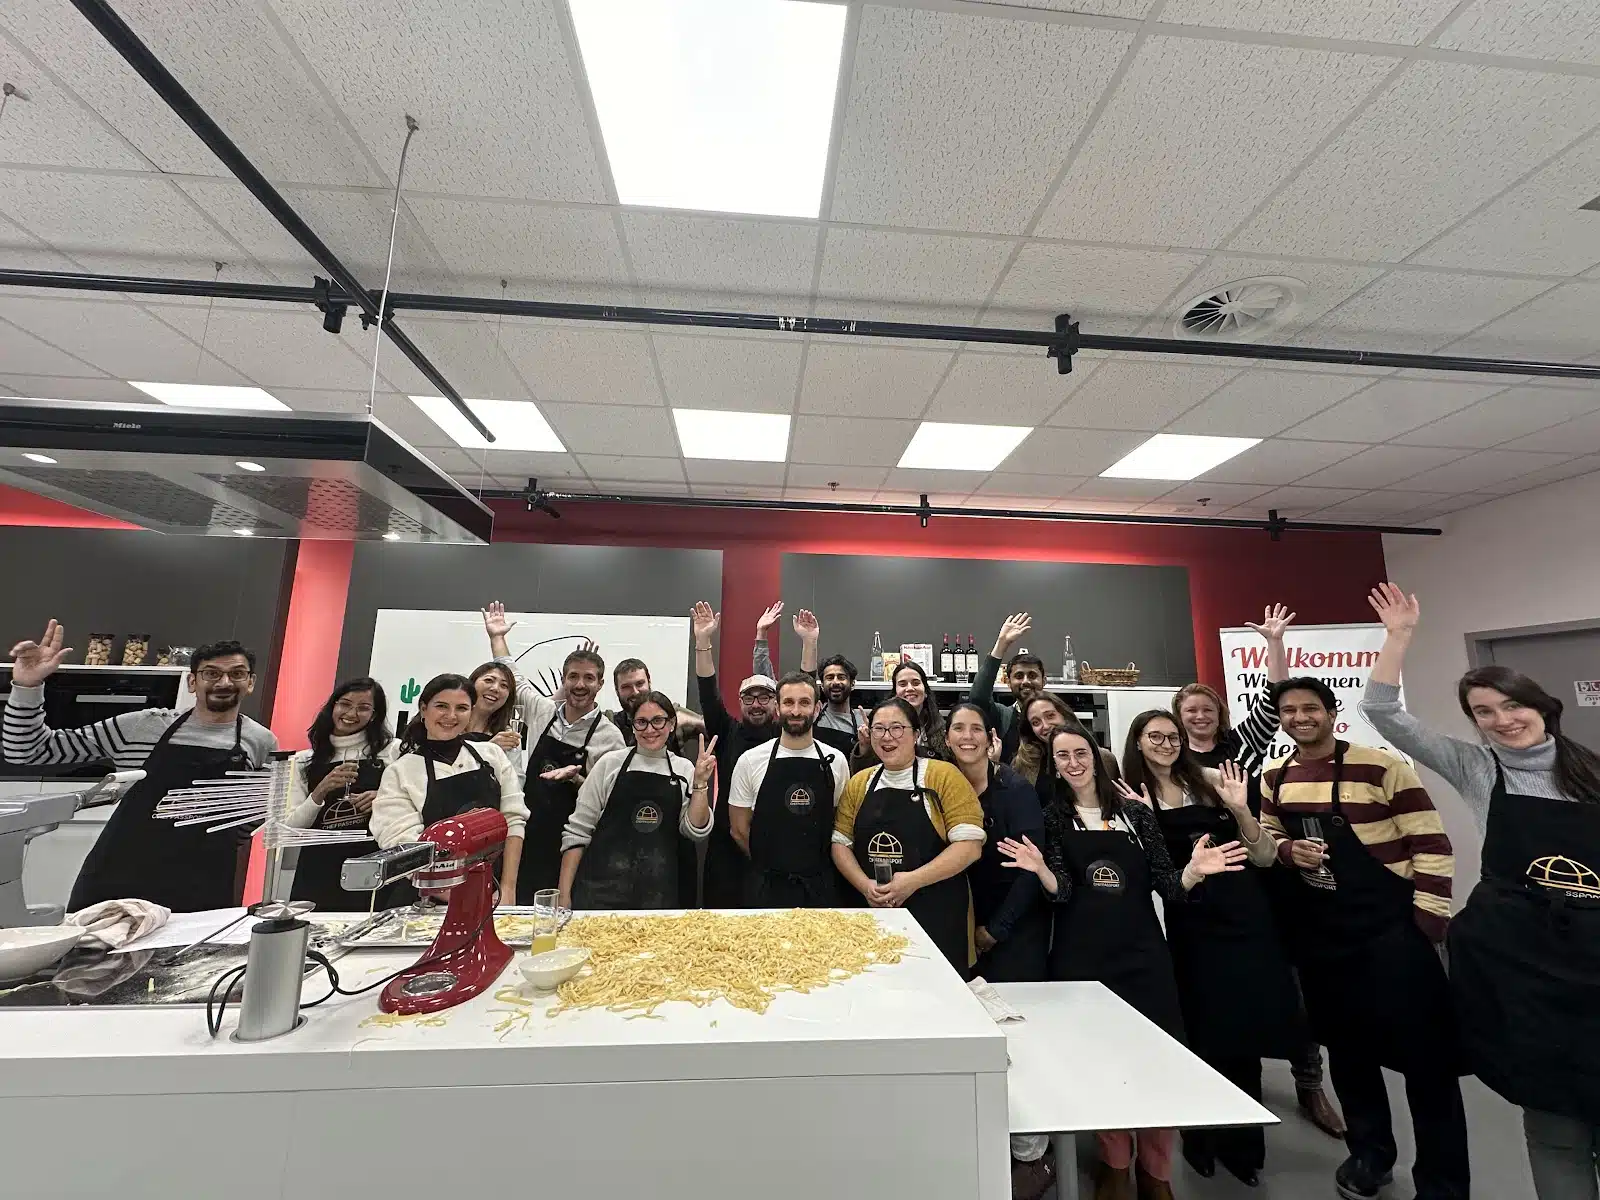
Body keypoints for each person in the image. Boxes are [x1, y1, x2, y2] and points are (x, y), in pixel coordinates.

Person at [1363, 583, 1600, 1200]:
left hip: (1596, 966)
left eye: (1509, 706)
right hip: (1523, 971)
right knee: (1553, 1127)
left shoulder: (1592, 771)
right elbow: (1385, 714)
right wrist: (1399, 638)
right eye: (1483, 714)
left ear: (1541, 705)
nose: (1501, 721)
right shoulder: (1476, 768)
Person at [1001, 722, 1245, 1200]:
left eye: (1079, 753)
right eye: (1062, 757)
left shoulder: (1137, 814)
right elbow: (1065, 893)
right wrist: (1043, 873)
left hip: (1142, 956)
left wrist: (1193, 871)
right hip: (1081, 960)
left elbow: (1167, 885)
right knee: (1099, 1065)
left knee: (1157, 1063)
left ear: (1095, 755)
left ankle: (1156, 1172)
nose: (1072, 763)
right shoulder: (1054, 818)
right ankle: (1115, 1164)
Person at [1247, 676, 1466, 1200]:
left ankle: (1443, 1183)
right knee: (1349, 1055)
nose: (1300, 718)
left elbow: (1431, 843)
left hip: (1394, 934)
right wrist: (1286, 853)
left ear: (1330, 711)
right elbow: (1270, 835)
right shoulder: (1275, 775)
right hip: (1325, 937)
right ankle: (1370, 1156)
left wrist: (1428, 926)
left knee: (1427, 1065)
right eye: (1289, 711)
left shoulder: (1381, 765)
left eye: (1310, 709)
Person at [1173, 607, 1345, 1141]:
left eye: (1206, 710)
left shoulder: (1240, 747)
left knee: (1287, 983)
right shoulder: (1168, 759)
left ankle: (1309, 1081)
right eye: (1190, 711)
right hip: (1202, 883)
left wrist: (1274, 643)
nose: (1199, 717)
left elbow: (1279, 701)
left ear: (1218, 714)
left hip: (1257, 872)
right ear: (1176, 720)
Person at [1123, 709, 1304, 1188]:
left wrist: (1242, 810)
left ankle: (1245, 1147)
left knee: (1245, 1035)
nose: (1165, 743)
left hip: (1246, 916)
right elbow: (1153, 873)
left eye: (1172, 736)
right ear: (1137, 744)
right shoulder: (1134, 796)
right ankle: (1201, 1141)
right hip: (1192, 920)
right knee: (1203, 1033)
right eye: (1154, 736)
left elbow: (1263, 854)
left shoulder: (1213, 781)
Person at [4, 622, 278, 912]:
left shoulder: (261, 742)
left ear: (250, 682)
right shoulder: (142, 725)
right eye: (211, 673)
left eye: (236, 674)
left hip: (201, 882)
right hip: (120, 876)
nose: (224, 682)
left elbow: (258, 811)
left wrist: (217, 846)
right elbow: (29, 751)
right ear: (192, 682)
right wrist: (27, 686)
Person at [481, 603, 625, 901]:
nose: (580, 684)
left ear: (600, 683)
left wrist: (578, 781)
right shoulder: (542, 711)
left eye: (588, 678)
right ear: (563, 679)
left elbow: (612, 802)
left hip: (572, 848)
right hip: (526, 839)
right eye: (573, 676)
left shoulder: (610, 737)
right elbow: (515, 679)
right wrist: (497, 637)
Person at [831, 697, 984, 972]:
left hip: (938, 916)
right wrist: (866, 886)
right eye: (879, 729)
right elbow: (840, 844)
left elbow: (970, 846)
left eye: (897, 728)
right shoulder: (859, 783)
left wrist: (912, 881)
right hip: (877, 917)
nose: (887, 737)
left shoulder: (943, 776)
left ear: (916, 734)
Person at [370, 674, 526, 903]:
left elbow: (514, 820)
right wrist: (460, 898)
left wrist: (508, 888)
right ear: (424, 709)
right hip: (426, 900)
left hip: (493, 894)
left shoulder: (491, 755)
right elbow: (402, 844)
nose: (451, 716)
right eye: (441, 706)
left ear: (471, 711)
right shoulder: (400, 772)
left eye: (461, 708)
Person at [559, 692, 715, 910]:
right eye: (641, 722)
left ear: (671, 724)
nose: (650, 730)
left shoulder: (684, 769)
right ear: (632, 726)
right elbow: (577, 832)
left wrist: (700, 783)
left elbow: (696, 831)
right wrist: (564, 895)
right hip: (600, 895)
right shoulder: (609, 764)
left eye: (658, 721)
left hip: (662, 897)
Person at [729, 671, 850, 907]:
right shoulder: (750, 761)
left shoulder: (836, 761)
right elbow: (739, 829)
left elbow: (840, 825)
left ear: (817, 709)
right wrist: (772, 864)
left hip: (821, 887)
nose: (795, 711)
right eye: (788, 702)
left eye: (804, 703)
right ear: (777, 707)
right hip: (765, 887)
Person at [947, 703, 1048, 982]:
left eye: (976, 729)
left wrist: (995, 929)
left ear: (991, 738)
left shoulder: (1015, 791)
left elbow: (1031, 869)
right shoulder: (943, 787)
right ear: (946, 739)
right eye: (958, 728)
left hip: (1014, 928)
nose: (967, 736)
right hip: (962, 926)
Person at [692, 600, 781, 908]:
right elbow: (707, 691)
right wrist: (703, 640)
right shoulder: (727, 730)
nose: (756, 704)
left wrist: (809, 643)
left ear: (777, 704)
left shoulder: (788, 736)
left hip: (774, 842)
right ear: (741, 702)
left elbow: (806, 687)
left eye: (764, 697)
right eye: (749, 697)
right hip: (726, 846)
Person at [285, 678, 398, 911]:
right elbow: (291, 829)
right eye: (345, 704)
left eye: (364, 708)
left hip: (375, 868)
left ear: (376, 714)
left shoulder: (393, 751)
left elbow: (412, 804)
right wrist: (320, 791)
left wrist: (382, 797)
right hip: (318, 872)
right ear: (332, 706)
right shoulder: (303, 761)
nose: (351, 713)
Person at [967, 612, 1049, 764]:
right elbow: (978, 698)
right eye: (1019, 676)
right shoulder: (1001, 716)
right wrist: (1001, 645)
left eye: (1032, 675)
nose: (1026, 681)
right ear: (1008, 683)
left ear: (1044, 681)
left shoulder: (1056, 717)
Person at [850, 659, 951, 772]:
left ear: (926, 691)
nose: (909, 688)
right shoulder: (879, 729)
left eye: (916, 683)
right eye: (902, 684)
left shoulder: (942, 730)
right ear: (895, 693)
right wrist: (866, 746)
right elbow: (862, 774)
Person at [1013, 692, 1121, 787]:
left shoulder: (1105, 759)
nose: (1045, 726)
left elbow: (1116, 801)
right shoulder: (1024, 763)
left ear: (1065, 715)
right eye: (1036, 722)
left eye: (1050, 716)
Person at [813, 653, 861, 755]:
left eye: (841, 677)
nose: (835, 682)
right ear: (822, 685)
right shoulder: (813, 717)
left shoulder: (862, 723)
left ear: (852, 684)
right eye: (829, 677)